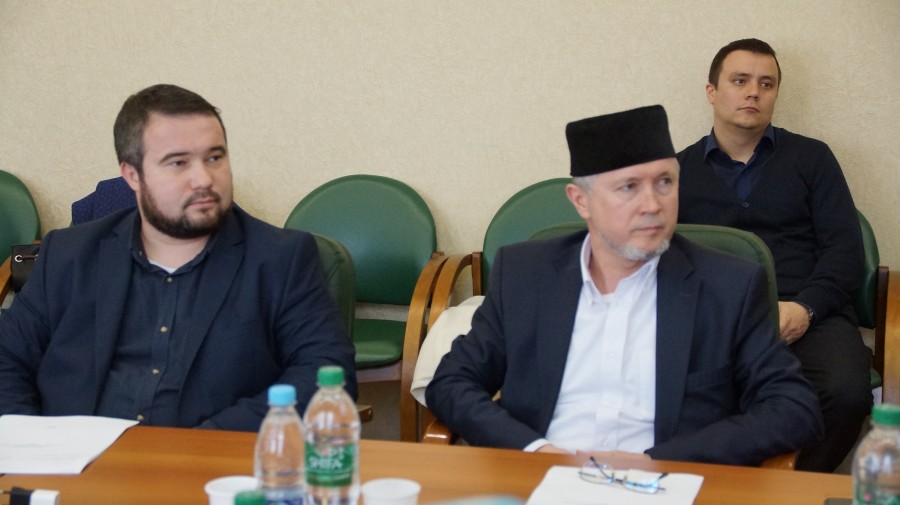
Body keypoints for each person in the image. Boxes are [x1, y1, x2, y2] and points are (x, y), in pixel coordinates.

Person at [425, 105, 822, 466]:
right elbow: (452, 382)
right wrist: (534, 452)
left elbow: (794, 409)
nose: (653, 204)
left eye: (665, 182)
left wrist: (657, 461)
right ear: (581, 201)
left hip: (666, 484)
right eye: (629, 187)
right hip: (538, 481)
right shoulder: (525, 275)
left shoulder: (728, 286)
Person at [0, 84, 357, 432]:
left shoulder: (281, 259)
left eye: (214, 158)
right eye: (178, 163)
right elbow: (7, 356)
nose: (203, 179)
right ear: (132, 175)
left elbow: (325, 374)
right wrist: (28, 440)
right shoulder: (69, 254)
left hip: (212, 462)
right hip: (76, 462)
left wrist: (208, 442)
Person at [677, 38, 872, 472]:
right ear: (711, 91)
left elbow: (844, 250)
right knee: (680, 397)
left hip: (810, 312)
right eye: (740, 81)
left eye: (766, 84)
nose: (753, 92)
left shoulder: (813, 158)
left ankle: (790, 489)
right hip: (715, 320)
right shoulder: (677, 172)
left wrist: (806, 308)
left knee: (847, 394)